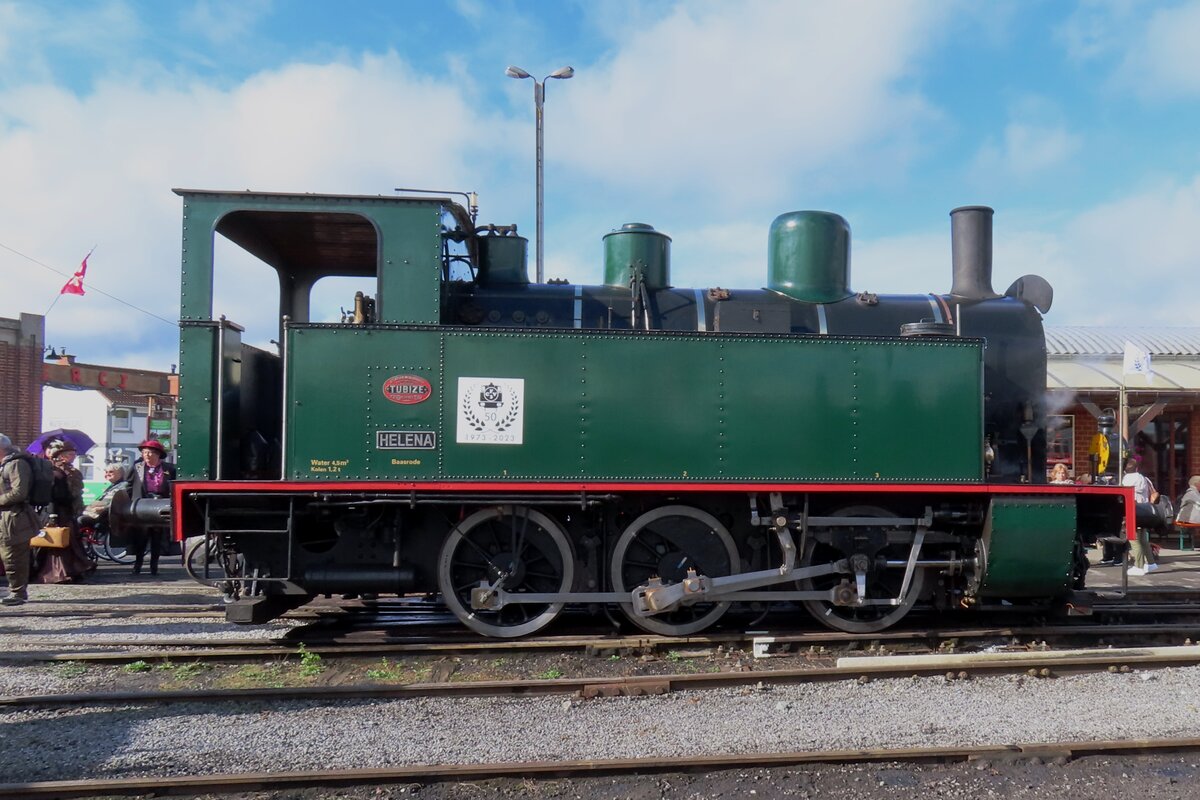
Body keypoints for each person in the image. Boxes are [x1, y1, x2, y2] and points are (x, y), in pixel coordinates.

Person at [32, 440, 95, 584]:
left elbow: (75, 491)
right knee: (55, 540)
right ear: (60, 456)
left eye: (73, 454)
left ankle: (71, 570)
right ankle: (56, 573)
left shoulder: (70, 471)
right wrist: (53, 514)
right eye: (69, 454)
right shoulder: (53, 471)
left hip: (67, 510)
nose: (72, 456)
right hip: (55, 511)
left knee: (68, 540)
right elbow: (52, 496)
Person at [0, 433, 39, 605]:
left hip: (14, 518)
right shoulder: (4, 464)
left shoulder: (16, 464)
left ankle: (18, 593)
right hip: (5, 515)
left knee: (13, 556)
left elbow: (19, 492)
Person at [127, 439, 175, 575]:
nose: (147, 455)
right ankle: (138, 565)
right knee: (141, 537)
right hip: (142, 505)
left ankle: (154, 566)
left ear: (158, 454)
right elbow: (128, 486)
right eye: (144, 452)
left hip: (161, 505)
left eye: (150, 453)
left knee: (157, 538)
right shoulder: (137, 468)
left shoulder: (169, 469)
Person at [1121, 457, 1159, 576]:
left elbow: (1125, 495)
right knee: (1143, 539)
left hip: (1133, 511)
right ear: (1137, 467)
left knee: (1134, 539)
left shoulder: (1127, 479)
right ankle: (1150, 563)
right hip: (1145, 511)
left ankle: (1139, 566)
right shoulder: (1144, 478)